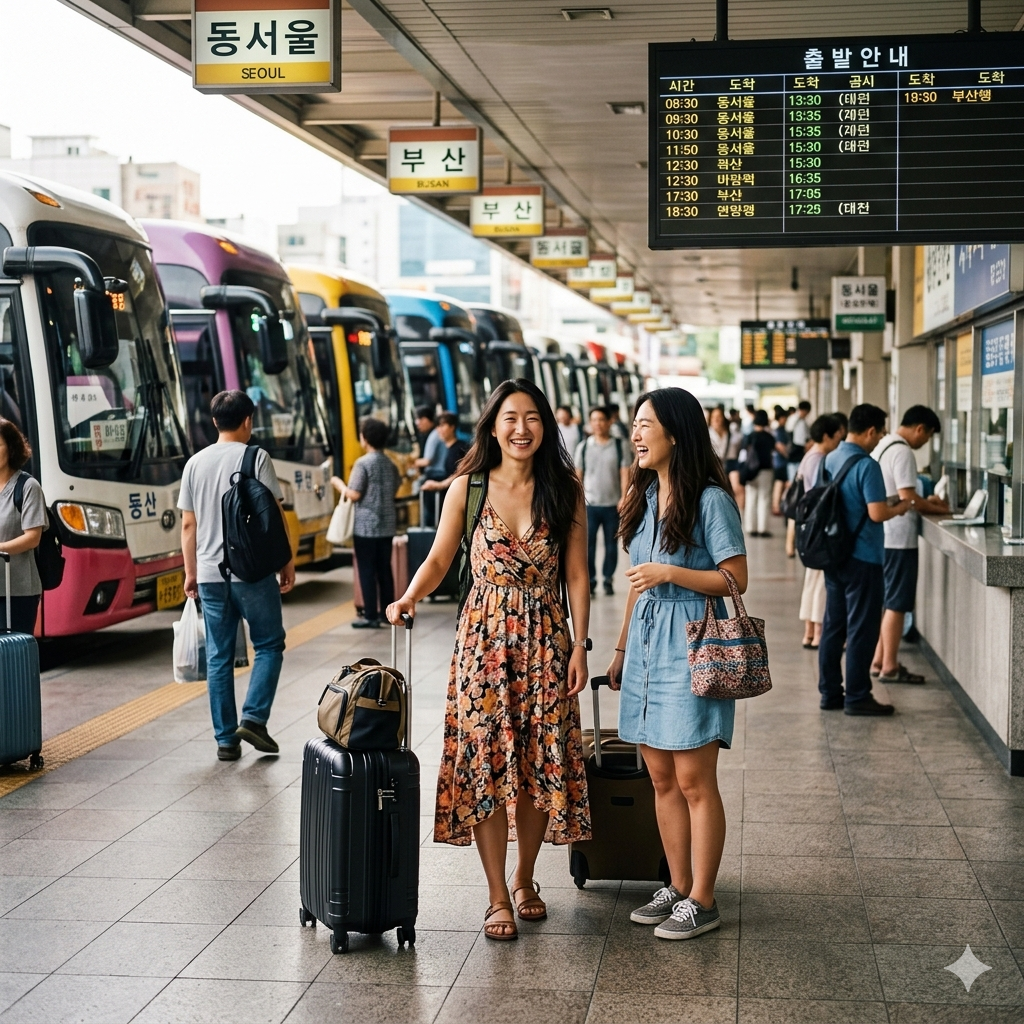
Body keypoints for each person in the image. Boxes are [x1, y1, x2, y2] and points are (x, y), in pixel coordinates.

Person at [387, 378, 592, 942]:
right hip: (483, 647)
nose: (521, 428)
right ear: (493, 425)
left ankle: (526, 878)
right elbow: (437, 559)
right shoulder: (468, 488)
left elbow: (577, 574)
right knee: (487, 767)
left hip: (548, 641)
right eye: (510, 417)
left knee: (535, 767)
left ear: (545, 426)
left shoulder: (565, 489)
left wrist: (580, 643)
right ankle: (497, 894)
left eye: (532, 417)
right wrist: (407, 597)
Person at [608, 387, 747, 942]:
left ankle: (704, 900)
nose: (636, 434)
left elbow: (736, 578)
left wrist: (673, 574)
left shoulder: (710, 499)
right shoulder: (640, 497)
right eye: (635, 424)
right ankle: (678, 884)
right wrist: (619, 649)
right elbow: (637, 585)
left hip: (693, 640)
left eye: (646, 424)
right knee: (660, 776)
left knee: (693, 779)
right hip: (645, 644)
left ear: (676, 433)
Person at [179, 390, 294, 761]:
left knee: (219, 656)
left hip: (211, 575)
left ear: (214, 421)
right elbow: (273, 514)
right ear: (247, 421)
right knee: (269, 645)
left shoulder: (194, 464)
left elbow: (188, 525)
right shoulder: (255, 456)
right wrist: (286, 562)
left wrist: (190, 573)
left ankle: (226, 740)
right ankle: (255, 718)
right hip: (253, 573)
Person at [818, 403, 913, 716]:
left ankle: (830, 693)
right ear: (871, 431)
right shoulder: (867, 466)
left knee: (834, 625)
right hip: (864, 557)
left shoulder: (830, 458)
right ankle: (857, 696)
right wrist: (901, 506)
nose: (881, 438)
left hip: (833, 555)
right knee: (862, 627)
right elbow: (876, 513)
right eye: (881, 432)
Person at [870, 406, 949, 683]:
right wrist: (941, 510)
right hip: (899, 538)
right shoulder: (902, 451)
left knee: (888, 600)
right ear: (920, 429)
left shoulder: (883, 445)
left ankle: (879, 660)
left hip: (884, 536)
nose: (925, 442)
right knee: (897, 602)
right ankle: (890, 666)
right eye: (927, 437)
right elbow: (909, 497)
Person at [337, 417, 401, 629]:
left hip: (365, 526)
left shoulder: (363, 463)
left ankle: (371, 616)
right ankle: (387, 614)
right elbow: (396, 487)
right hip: (387, 525)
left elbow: (354, 494)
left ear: (364, 439)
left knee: (366, 570)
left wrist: (338, 485)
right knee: (385, 570)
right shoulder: (390, 464)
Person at [796, 415, 844, 648]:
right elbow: (820, 495)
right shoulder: (819, 459)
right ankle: (816, 632)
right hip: (819, 528)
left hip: (811, 527)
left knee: (812, 581)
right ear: (827, 435)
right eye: (838, 435)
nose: (840, 440)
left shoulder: (810, 456)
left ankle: (809, 631)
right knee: (818, 583)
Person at [575, 406, 632, 596]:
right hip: (589, 505)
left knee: (611, 544)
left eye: (601, 420)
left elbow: (625, 472)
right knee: (588, 545)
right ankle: (590, 580)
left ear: (609, 422)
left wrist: (624, 497)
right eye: (594, 420)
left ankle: (608, 579)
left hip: (612, 504)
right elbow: (578, 475)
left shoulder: (619, 445)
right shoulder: (583, 447)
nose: (597, 424)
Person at [0, 419, 46, 634]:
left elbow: (33, 538)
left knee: (14, 657)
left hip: (18, 591)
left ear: (11, 447)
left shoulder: (27, 487)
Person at [420, 412, 470, 502]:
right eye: (437, 426)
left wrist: (440, 485)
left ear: (452, 427)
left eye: (443, 425)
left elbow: (462, 473)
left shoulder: (460, 448)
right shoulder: (449, 449)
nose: (439, 430)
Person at [743, 410, 776, 537]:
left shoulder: (749, 436)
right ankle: (763, 529)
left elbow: (744, 451)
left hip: (751, 471)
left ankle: (750, 528)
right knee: (764, 499)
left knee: (751, 498)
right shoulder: (769, 437)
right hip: (765, 470)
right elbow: (772, 452)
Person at [771, 407, 791, 514]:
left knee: (779, 483)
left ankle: (776, 505)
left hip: (777, 461)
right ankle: (776, 507)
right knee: (779, 483)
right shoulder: (780, 430)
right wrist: (788, 455)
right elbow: (780, 446)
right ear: (782, 418)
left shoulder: (777, 430)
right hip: (780, 461)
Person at [725, 410, 745, 513]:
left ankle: (739, 513)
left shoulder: (732, 430)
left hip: (731, 461)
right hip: (725, 462)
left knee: (737, 489)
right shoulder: (736, 429)